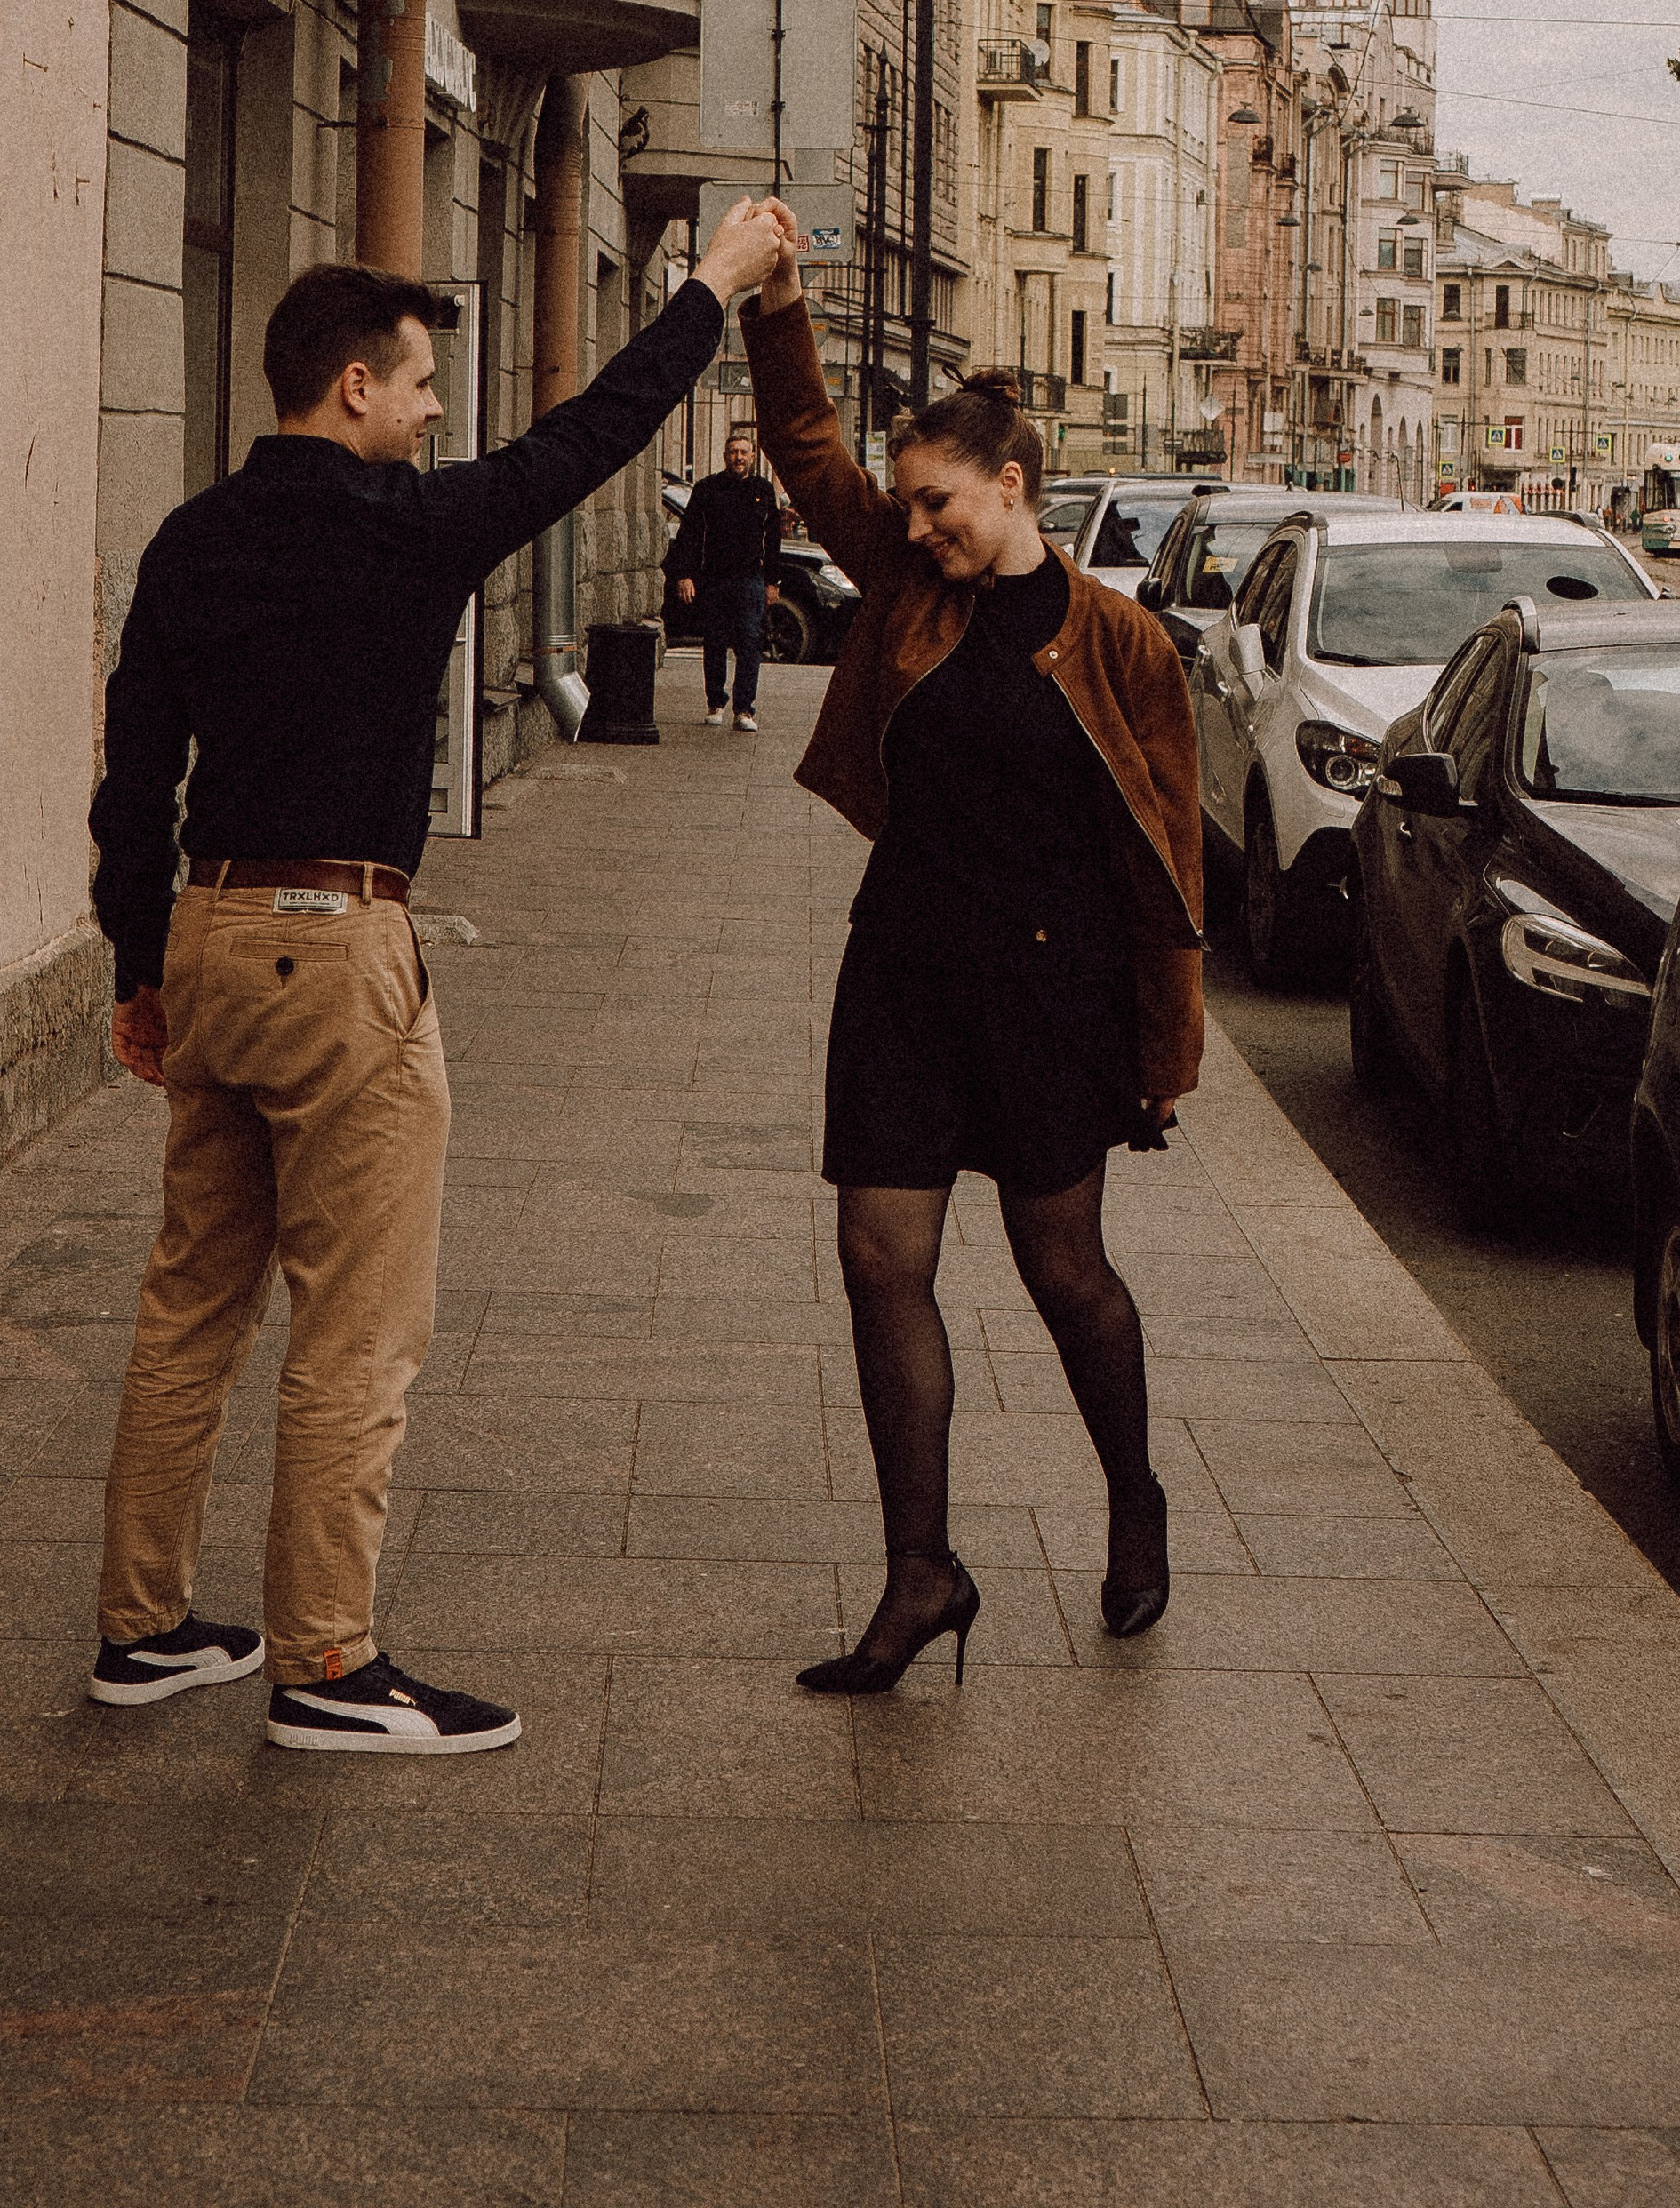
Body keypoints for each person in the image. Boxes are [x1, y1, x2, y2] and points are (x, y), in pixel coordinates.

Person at [85, 196, 789, 1754]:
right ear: (352, 387)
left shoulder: (192, 539)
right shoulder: (411, 528)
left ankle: (142, 1630)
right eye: (413, 385)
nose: (426, 410)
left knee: (191, 1302)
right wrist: (712, 291)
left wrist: (143, 965)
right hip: (341, 951)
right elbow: (598, 432)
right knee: (356, 1328)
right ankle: (328, 1667)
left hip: (208, 937)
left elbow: (136, 777)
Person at [740, 205, 1204, 1692]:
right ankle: (922, 1573)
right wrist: (778, 310)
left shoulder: (1124, 643)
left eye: (942, 503)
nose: (920, 525)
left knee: (1065, 1271)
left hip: (1053, 986)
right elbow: (812, 456)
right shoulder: (906, 588)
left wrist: (1164, 1049)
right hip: (906, 972)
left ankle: (1133, 1497)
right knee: (882, 1256)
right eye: (912, 507)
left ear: (1012, 487)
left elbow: (1170, 860)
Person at [674, 424, 780, 729]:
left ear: (752, 457)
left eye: (744, 453)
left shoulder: (763, 491)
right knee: (715, 641)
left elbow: (773, 540)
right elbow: (690, 534)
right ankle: (715, 702)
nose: (738, 457)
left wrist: (773, 582)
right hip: (714, 579)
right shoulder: (707, 489)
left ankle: (745, 710)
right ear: (725, 456)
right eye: (733, 452)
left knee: (749, 642)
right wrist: (686, 575)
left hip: (750, 579)